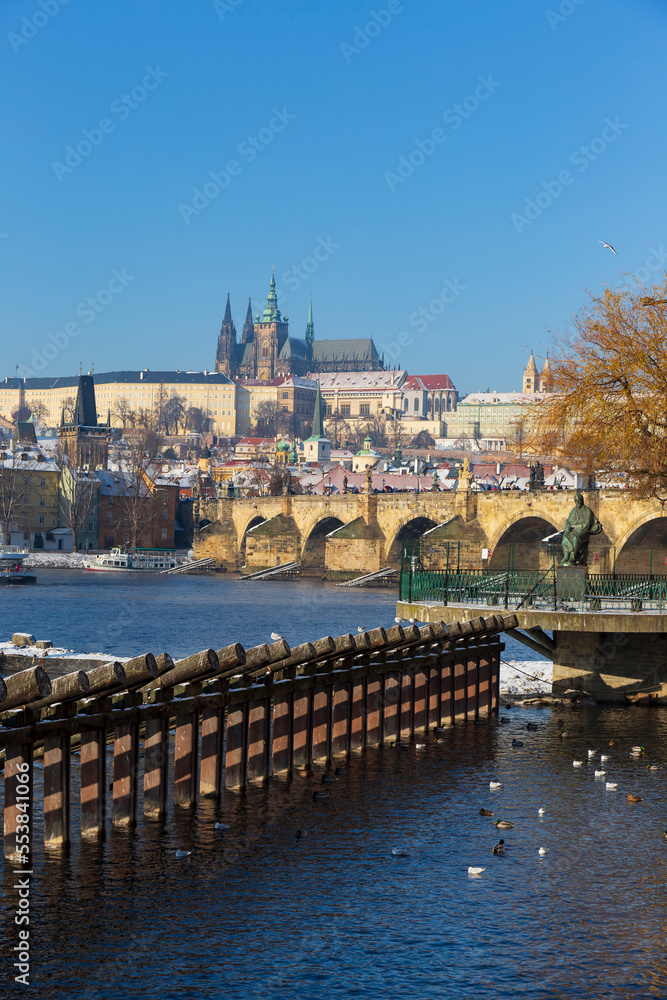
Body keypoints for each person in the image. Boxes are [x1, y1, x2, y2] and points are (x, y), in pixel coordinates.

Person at [561, 493, 602, 566]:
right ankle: (566, 556)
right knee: (564, 538)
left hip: (584, 532)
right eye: (576, 501)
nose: (578, 502)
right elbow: (568, 522)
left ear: (582, 500)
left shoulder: (587, 511)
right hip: (573, 531)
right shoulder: (573, 511)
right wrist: (567, 527)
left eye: (579, 500)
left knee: (576, 538)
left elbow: (585, 525)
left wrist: (574, 526)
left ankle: (572, 557)